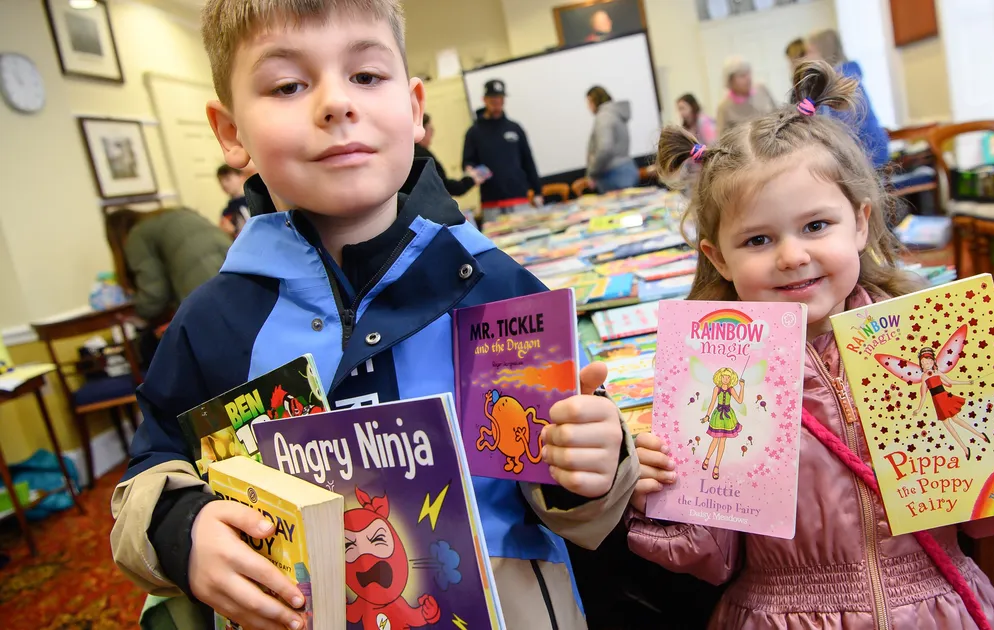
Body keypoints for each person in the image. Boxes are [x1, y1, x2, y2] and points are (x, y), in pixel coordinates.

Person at [109, 2, 638, 630]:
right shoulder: (214, 325)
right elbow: (152, 473)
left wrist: (593, 464)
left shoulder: (495, 288)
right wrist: (186, 531)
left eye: (365, 76)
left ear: (414, 109)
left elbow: (566, 484)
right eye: (287, 85)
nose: (336, 103)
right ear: (230, 134)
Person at [627, 61, 994, 629]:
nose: (791, 256)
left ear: (860, 224)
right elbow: (710, 558)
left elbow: (987, 515)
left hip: (938, 607)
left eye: (816, 226)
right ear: (719, 258)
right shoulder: (717, 376)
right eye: (759, 239)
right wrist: (660, 493)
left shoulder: (920, 339)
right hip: (781, 614)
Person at [103, 206, 231, 322]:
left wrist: (138, 312)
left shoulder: (136, 236)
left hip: (204, 283)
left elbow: (154, 293)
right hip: (233, 267)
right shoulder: (173, 214)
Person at [804, 28, 891, 169]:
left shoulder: (841, 82)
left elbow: (842, 129)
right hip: (865, 153)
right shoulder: (841, 77)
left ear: (823, 51)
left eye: (810, 51)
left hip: (867, 156)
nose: (806, 57)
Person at [463, 79, 543, 215]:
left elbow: (528, 161)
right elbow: (467, 162)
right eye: (493, 99)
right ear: (485, 99)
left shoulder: (515, 128)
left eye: (500, 98)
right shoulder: (474, 132)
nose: (496, 103)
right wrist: (473, 171)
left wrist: (537, 191)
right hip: (491, 203)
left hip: (519, 199)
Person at [414, 113, 486, 196]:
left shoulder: (412, 153)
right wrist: (470, 180)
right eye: (430, 128)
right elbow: (443, 186)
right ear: (422, 130)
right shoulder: (423, 156)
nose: (433, 132)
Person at [585, 86, 638, 193]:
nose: (588, 107)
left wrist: (593, 172)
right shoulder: (615, 114)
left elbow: (605, 149)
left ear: (594, 100)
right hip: (627, 169)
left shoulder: (604, 117)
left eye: (588, 102)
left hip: (612, 175)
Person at [715, 56, 776, 137]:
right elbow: (721, 139)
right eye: (742, 75)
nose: (748, 78)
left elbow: (778, 113)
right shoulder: (724, 107)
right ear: (730, 81)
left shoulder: (762, 89)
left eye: (748, 73)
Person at [215, 164, 250, 237]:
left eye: (227, 179)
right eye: (220, 180)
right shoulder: (227, 211)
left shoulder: (253, 202)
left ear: (241, 177)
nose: (223, 184)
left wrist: (235, 231)